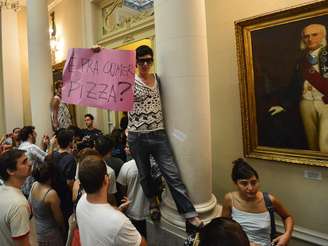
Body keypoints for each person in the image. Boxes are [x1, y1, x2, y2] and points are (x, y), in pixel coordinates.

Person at [127, 45, 203, 233]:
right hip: (137, 137)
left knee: (172, 174)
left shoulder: (158, 80)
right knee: (145, 175)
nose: (145, 64)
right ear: (136, 62)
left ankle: (189, 214)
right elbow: (107, 79)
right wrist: (98, 52)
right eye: (141, 60)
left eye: (148, 60)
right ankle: (152, 201)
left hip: (159, 134)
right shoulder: (128, 81)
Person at [269, 24, 328, 152]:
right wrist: (283, 105)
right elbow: (294, 87)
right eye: (306, 36)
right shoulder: (301, 62)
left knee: (324, 146)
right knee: (312, 146)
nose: (310, 39)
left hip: (326, 104)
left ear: (323, 36)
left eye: (314, 35)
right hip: (306, 104)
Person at [76, 155, 147, 246]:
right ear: (106, 179)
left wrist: (118, 210)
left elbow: (99, 218)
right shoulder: (119, 222)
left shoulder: (81, 202)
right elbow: (142, 244)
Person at [222, 159, 294, 246]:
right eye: (244, 184)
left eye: (253, 182)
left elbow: (287, 217)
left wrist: (287, 235)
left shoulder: (269, 200)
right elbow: (223, 229)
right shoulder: (230, 199)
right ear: (235, 184)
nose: (250, 188)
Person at [0, 149, 34, 245]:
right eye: (24, 162)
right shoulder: (19, 204)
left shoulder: (2, 189)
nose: (30, 163)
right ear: (10, 171)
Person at [29, 157, 65, 245]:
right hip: (50, 233)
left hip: (38, 229)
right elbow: (59, 219)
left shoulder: (34, 185)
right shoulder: (51, 194)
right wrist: (64, 229)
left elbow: (30, 205)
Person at [117, 158, 149, 238]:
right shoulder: (152, 164)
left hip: (131, 210)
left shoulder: (126, 166)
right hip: (149, 211)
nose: (125, 149)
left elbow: (122, 189)